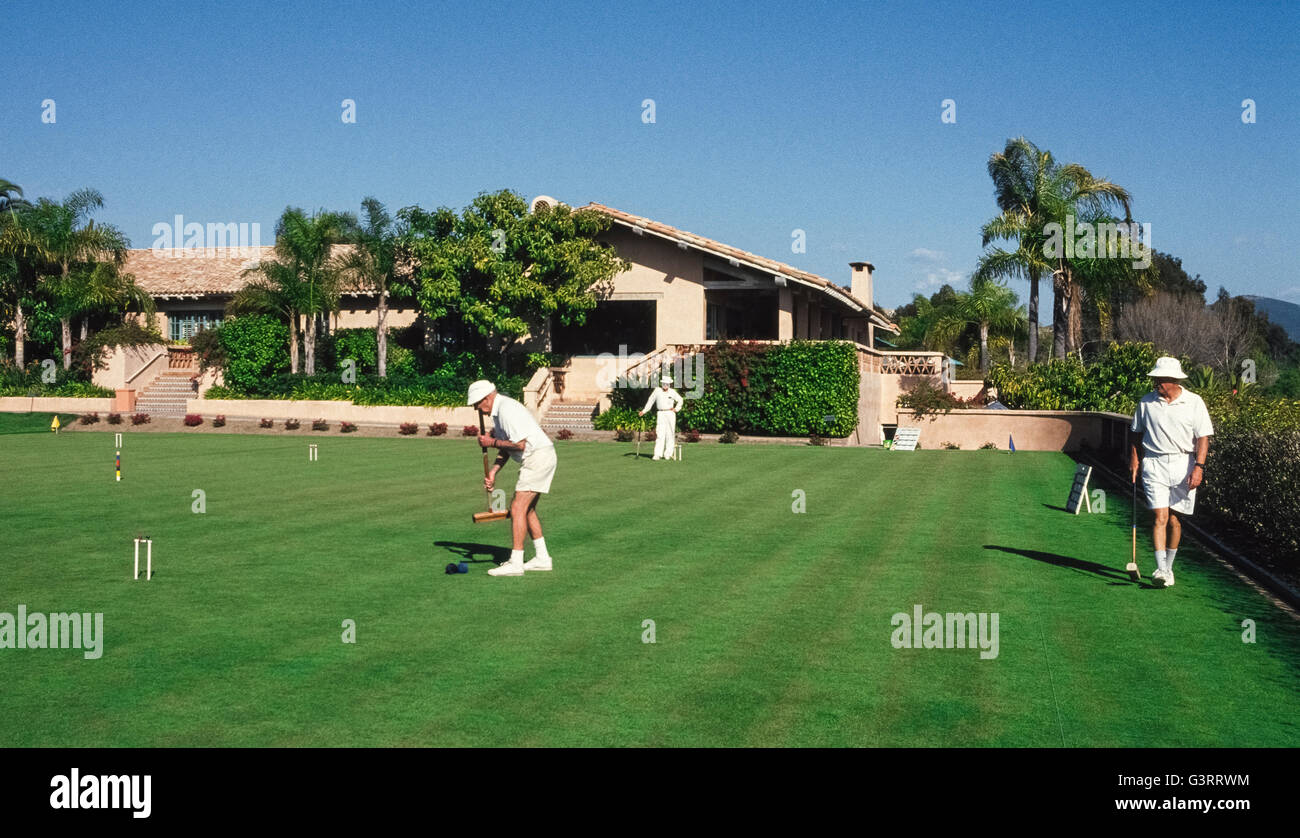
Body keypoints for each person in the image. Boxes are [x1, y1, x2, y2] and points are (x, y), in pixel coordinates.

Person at [1129, 357, 1214, 588]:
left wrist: (1199, 467)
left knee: (1175, 520)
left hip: (1183, 464)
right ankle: (1162, 569)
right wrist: (1135, 459)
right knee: (1160, 517)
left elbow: (1203, 438)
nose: (1155, 382)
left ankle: (1169, 567)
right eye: (1155, 378)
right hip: (1154, 464)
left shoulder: (1194, 402)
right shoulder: (1146, 402)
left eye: (1160, 379)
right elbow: (1136, 433)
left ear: (1173, 380)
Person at [467, 380, 558, 577]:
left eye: (476, 403)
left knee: (517, 507)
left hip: (537, 457)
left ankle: (516, 562)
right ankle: (542, 558)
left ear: (487, 397)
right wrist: (493, 472)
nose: (476, 408)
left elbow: (520, 445)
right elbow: (506, 448)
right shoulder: (499, 413)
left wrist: (491, 442)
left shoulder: (507, 410)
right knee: (528, 509)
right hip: (539, 457)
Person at [638, 373, 685, 460]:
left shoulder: (672, 392)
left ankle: (668, 454)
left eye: (667, 384)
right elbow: (650, 401)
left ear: (669, 384)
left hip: (670, 413)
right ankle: (657, 454)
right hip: (661, 413)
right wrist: (644, 411)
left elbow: (680, 400)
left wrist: (676, 409)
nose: (665, 385)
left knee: (670, 434)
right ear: (661, 383)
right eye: (664, 383)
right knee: (660, 433)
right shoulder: (657, 391)